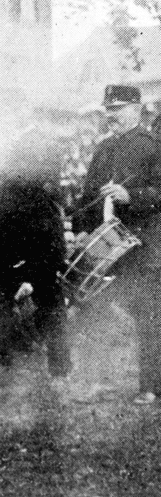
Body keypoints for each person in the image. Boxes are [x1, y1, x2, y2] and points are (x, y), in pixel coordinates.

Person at [75, 85, 161, 404]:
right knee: (93, 310)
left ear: (136, 110)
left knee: (146, 317)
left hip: (144, 246)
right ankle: (96, 382)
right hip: (107, 246)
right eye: (108, 110)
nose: (111, 116)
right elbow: (88, 196)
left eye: (118, 109)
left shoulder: (154, 146)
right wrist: (82, 228)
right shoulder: (103, 149)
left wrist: (131, 197)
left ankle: (150, 386)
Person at [0, 120, 71, 380]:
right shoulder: (26, 198)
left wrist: (27, 276)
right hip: (17, 260)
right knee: (48, 303)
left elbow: (53, 248)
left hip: (31, 261)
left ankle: (57, 369)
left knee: (49, 303)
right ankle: (56, 368)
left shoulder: (39, 200)